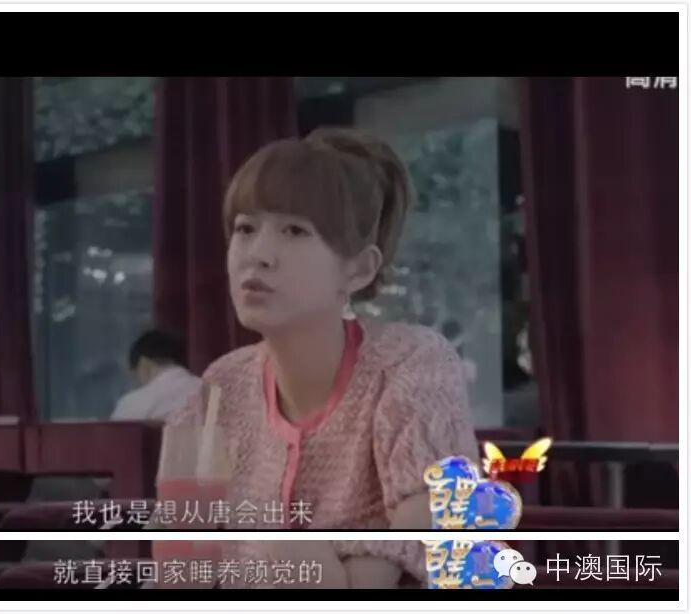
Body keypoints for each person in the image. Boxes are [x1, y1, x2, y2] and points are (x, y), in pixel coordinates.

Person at [163, 128, 481, 588]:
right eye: (246, 229)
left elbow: (435, 520)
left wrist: (350, 571)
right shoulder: (222, 385)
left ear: (359, 269)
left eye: (294, 231)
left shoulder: (410, 362)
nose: (258, 255)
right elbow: (182, 561)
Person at [111, 329, 201, 422]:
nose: (137, 382)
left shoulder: (132, 403)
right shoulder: (207, 390)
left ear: (144, 364)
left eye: (135, 375)